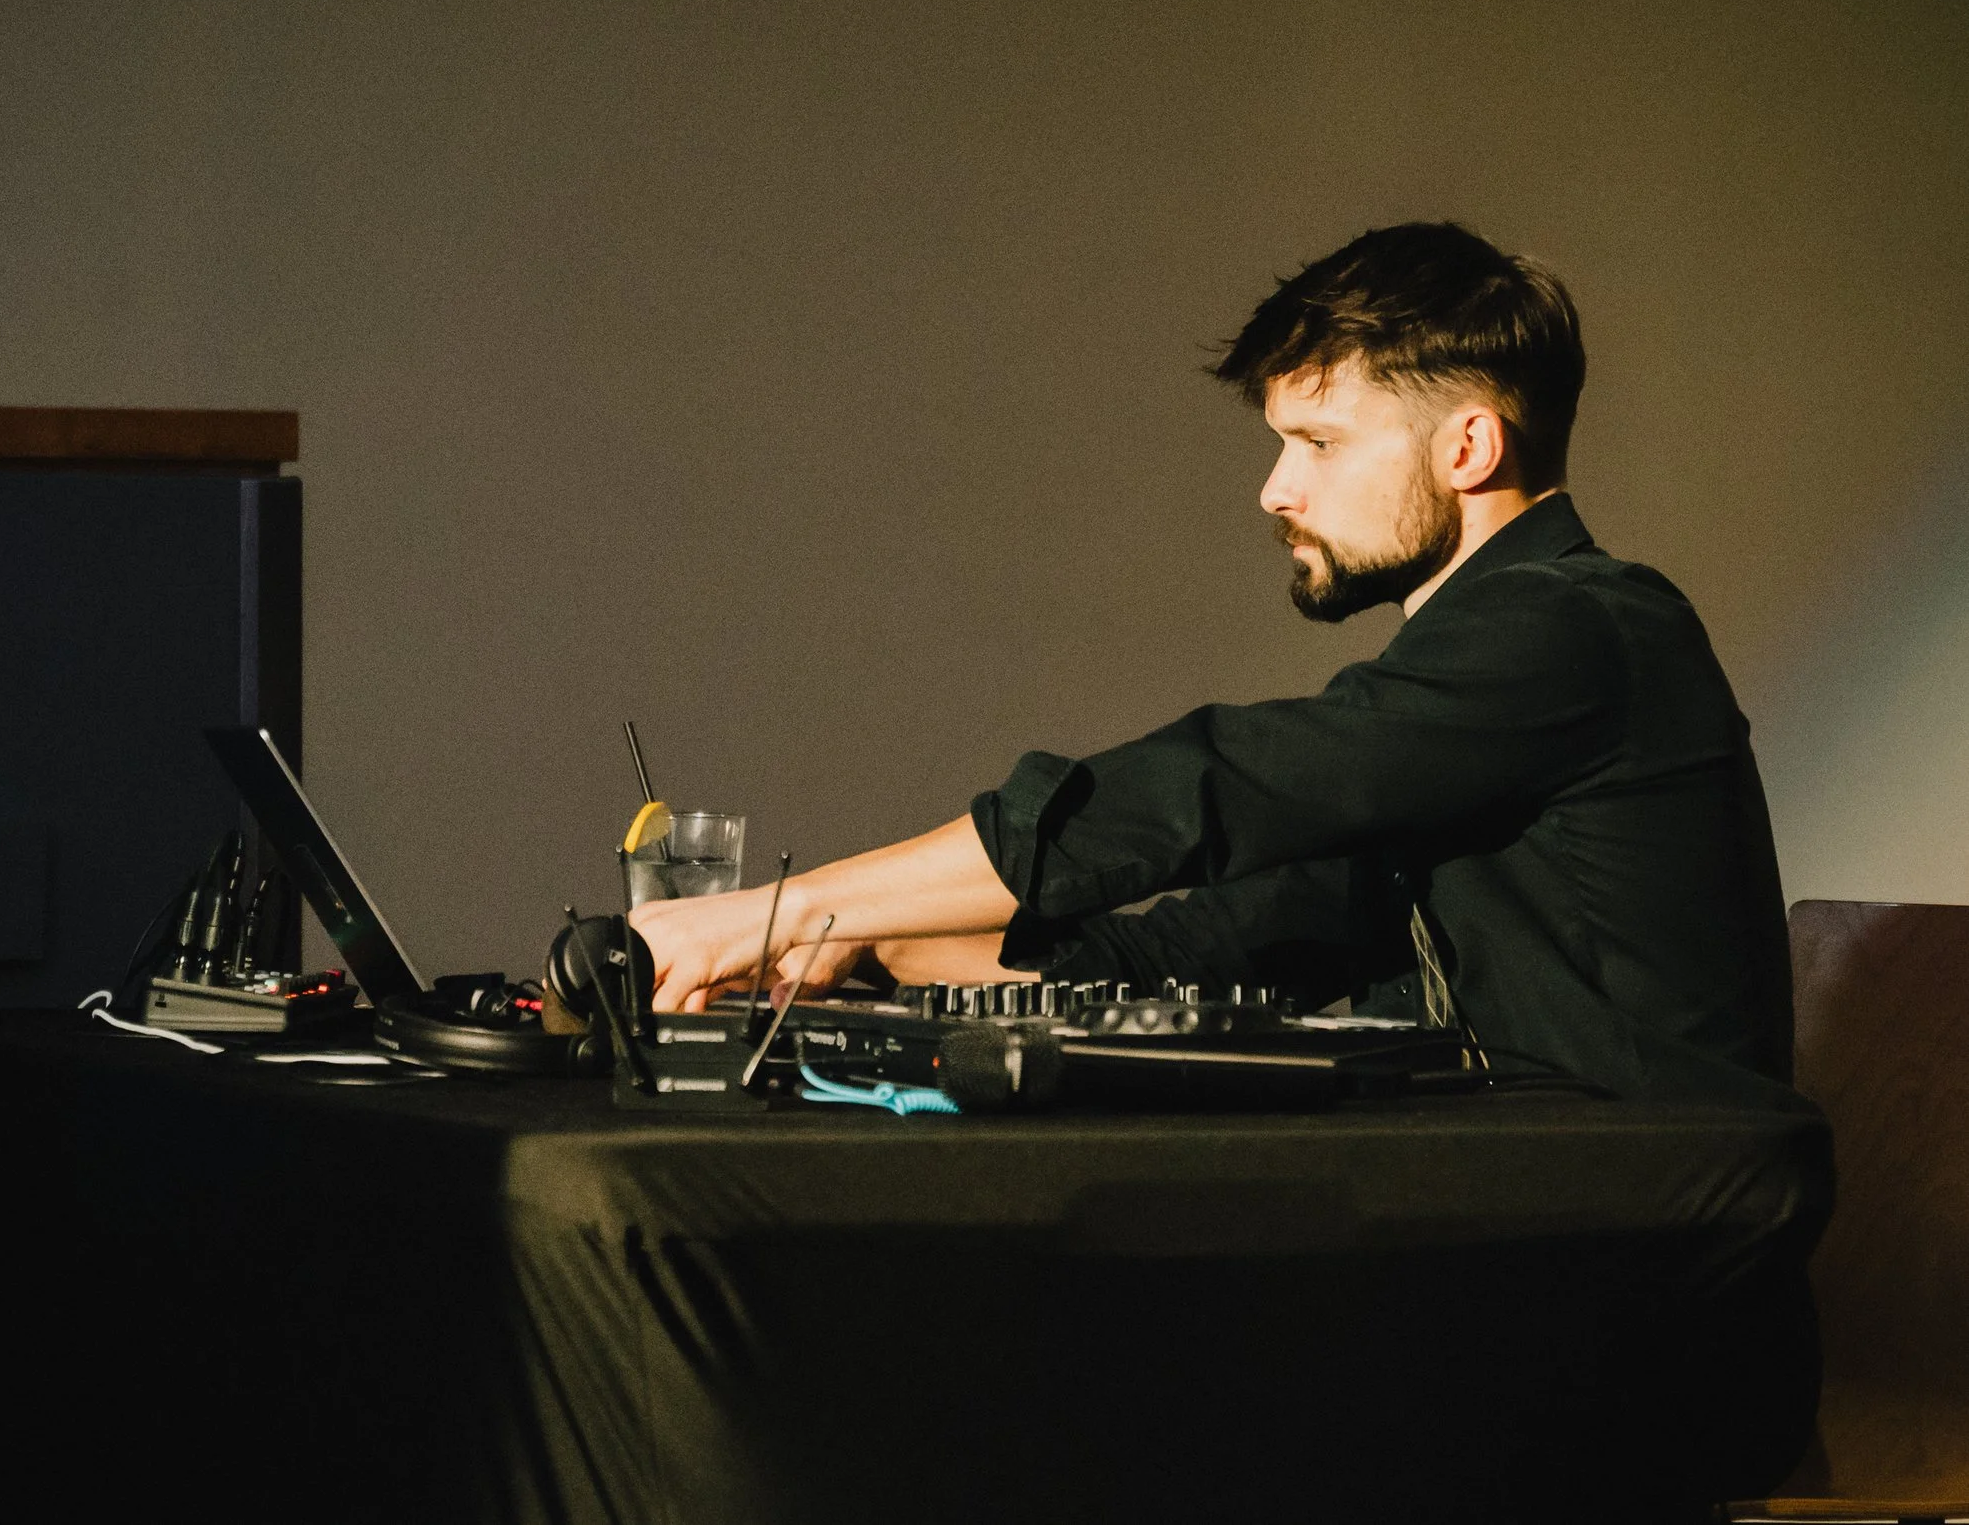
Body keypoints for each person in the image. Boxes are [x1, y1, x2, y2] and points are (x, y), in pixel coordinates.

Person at [637, 221, 1797, 1103]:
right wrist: (869, 947)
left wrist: (786, 906)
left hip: (1630, 1249)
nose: (1275, 489)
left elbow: (1223, 782)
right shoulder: (1466, 715)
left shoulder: (1582, 626)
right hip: (1525, 1215)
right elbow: (1202, 953)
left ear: (1467, 446)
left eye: (1318, 441)